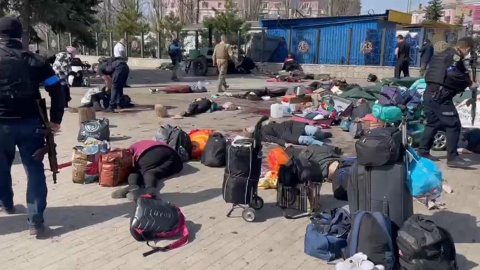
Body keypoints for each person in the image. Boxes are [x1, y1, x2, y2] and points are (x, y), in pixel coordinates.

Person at [0, 17, 65, 236]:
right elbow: (57, 91)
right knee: (35, 170)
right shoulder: (36, 60)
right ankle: (36, 221)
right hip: (32, 125)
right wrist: (56, 120)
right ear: (20, 36)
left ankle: (6, 203)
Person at [418, 37, 478, 168]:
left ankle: (423, 151)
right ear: (466, 48)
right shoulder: (454, 56)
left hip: (430, 94)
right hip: (440, 97)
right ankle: (453, 158)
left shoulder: (442, 54)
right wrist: (469, 83)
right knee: (453, 124)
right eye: (470, 50)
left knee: (432, 123)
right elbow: (452, 74)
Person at [111, 140, 183, 200]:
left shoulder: (129, 152)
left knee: (138, 171)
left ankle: (135, 186)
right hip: (175, 159)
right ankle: (149, 190)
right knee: (151, 172)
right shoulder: (137, 146)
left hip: (148, 152)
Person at [243, 120, 332, 147]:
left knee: (314, 130)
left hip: (289, 126)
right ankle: (324, 146)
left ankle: (322, 135)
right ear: (251, 133)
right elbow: (274, 139)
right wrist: (285, 143)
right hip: (287, 135)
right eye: (248, 129)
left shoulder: (261, 125)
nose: (249, 127)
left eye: (248, 127)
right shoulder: (262, 135)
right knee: (308, 140)